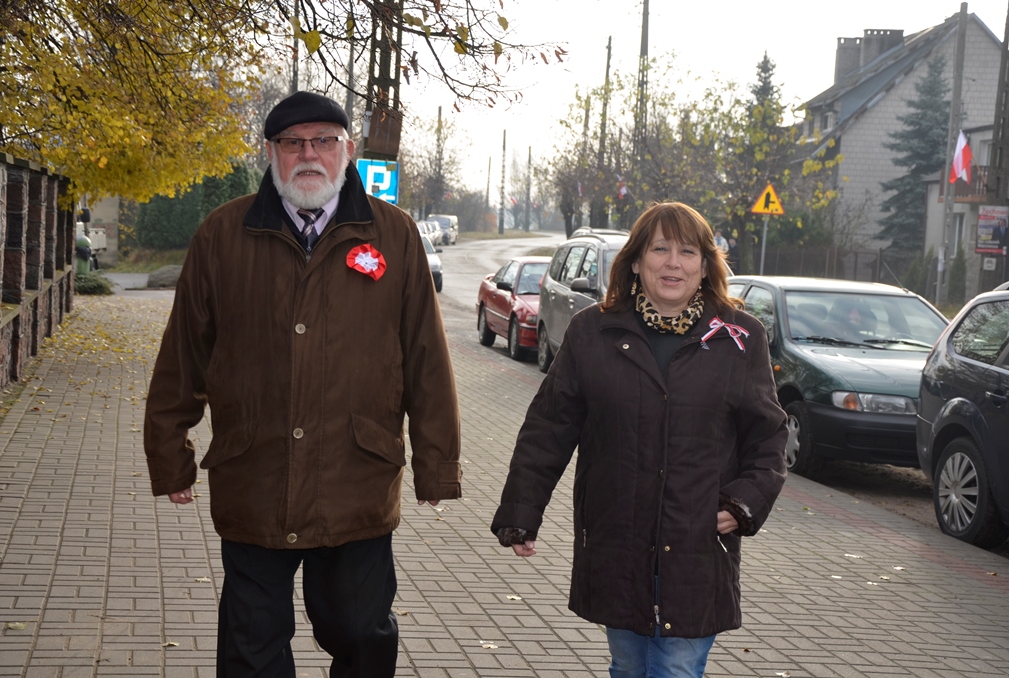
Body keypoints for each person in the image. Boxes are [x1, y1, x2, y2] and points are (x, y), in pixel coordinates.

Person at [143, 91, 461, 678]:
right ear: (270, 152)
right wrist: (169, 455)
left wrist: (437, 465)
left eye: (323, 141)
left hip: (356, 479)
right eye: (292, 143)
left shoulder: (393, 235)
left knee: (361, 633)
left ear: (348, 150)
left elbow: (427, 360)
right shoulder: (223, 234)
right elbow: (183, 354)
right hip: (254, 475)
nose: (308, 155)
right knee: (251, 646)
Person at [491, 202, 787, 678]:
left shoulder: (739, 338)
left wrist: (744, 504)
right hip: (618, 540)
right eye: (660, 249)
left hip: (696, 544)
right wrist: (521, 513)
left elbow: (769, 437)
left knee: (675, 669)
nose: (674, 263)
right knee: (629, 666)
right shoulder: (593, 332)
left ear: (705, 265)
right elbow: (548, 428)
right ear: (635, 261)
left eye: (687, 252)